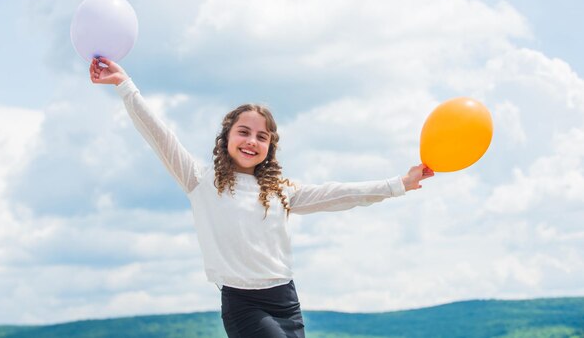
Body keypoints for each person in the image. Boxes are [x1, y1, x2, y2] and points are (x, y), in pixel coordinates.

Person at [89, 57, 434, 338]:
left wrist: (399, 183)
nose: (252, 141)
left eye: (261, 136)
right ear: (226, 138)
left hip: (285, 300)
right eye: (243, 132)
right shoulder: (198, 180)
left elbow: (338, 194)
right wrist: (124, 84)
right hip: (243, 303)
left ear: (269, 148)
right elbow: (159, 134)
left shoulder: (280, 192)